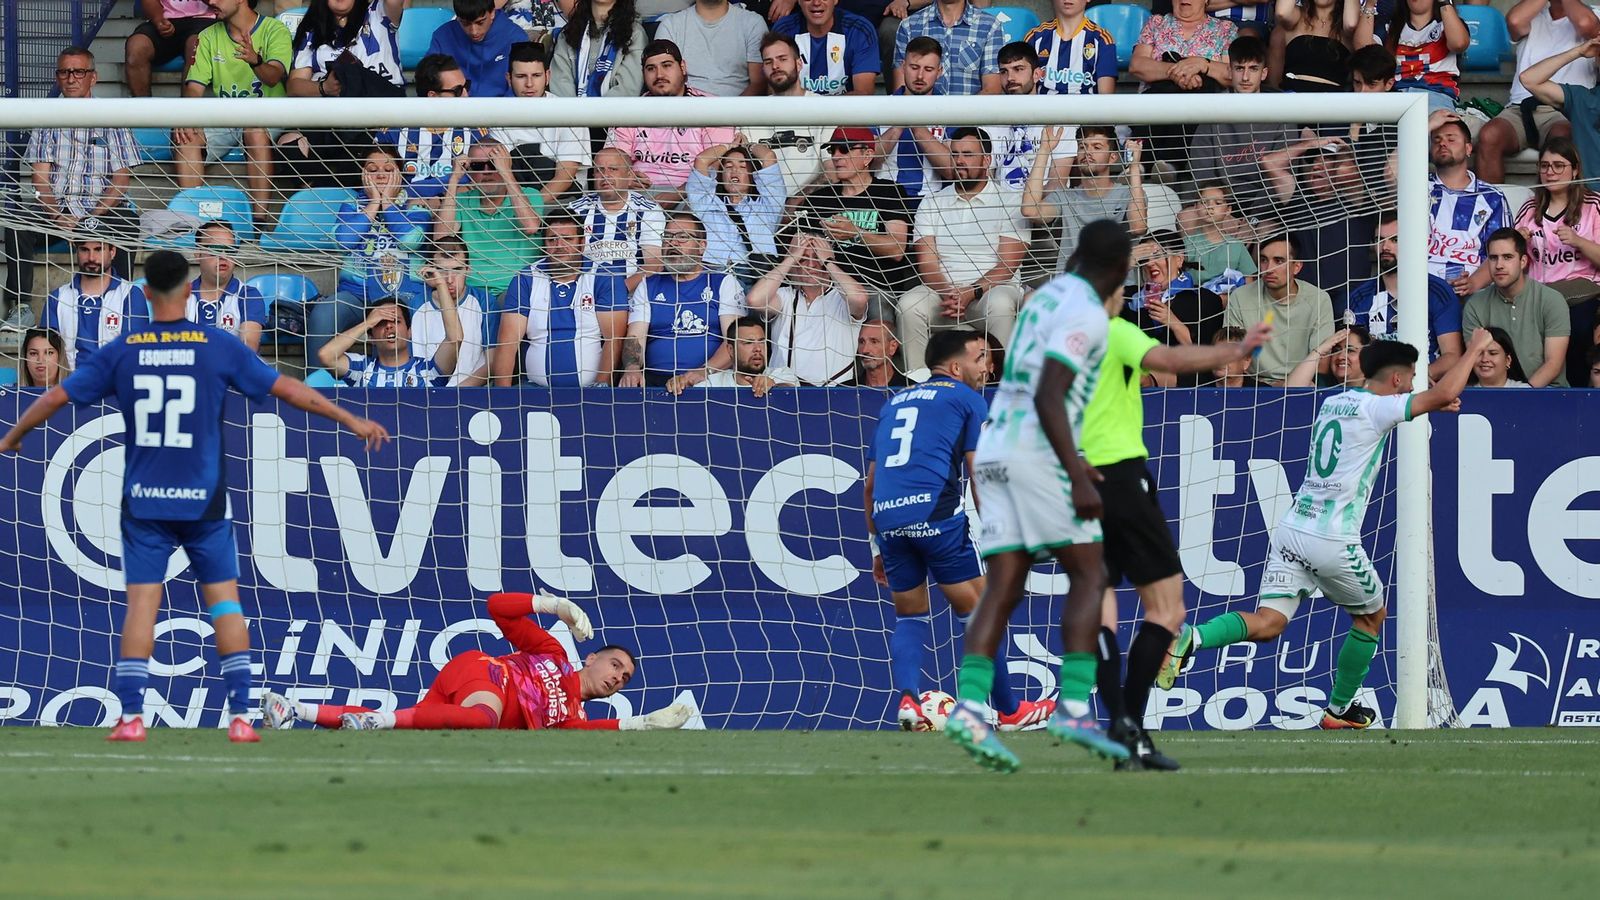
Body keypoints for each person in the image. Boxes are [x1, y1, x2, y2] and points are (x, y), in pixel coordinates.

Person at [0, 250, 390, 743]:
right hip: (203, 500)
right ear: (188, 291)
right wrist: (352, 420)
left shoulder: (124, 349)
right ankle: (243, 718)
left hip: (145, 501)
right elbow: (289, 391)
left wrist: (14, 436)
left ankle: (132, 719)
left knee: (142, 605)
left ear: (143, 295)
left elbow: (56, 396)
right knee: (225, 604)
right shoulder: (215, 346)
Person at [1161, 331, 1497, 729]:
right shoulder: (1377, 408)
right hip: (1331, 538)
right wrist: (1474, 348)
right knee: (1372, 617)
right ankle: (1338, 710)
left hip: (1292, 530)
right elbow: (1440, 396)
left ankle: (1190, 638)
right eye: (1409, 379)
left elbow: (1417, 406)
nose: (1410, 386)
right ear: (1395, 380)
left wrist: (1428, 406)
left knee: (1269, 622)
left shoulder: (1334, 403)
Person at [943, 219, 1135, 773]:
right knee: (1091, 572)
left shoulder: (1044, 296)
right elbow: (1052, 393)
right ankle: (1074, 706)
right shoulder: (1085, 314)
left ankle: (972, 709)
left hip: (996, 448)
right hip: (1035, 452)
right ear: (1118, 270)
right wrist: (1075, 471)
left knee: (1003, 583)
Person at [1082, 308, 1273, 769]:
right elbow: (1167, 359)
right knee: (1167, 610)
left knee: (1102, 604)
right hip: (1122, 475)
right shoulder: (1114, 330)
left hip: (1075, 475)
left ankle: (1119, 725)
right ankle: (1134, 726)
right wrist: (1235, 350)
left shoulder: (1049, 333)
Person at [864, 328, 1051, 734]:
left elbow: (870, 485)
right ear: (954, 367)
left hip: (890, 521)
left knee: (910, 615)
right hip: (935, 519)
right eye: (980, 358)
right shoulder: (966, 399)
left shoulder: (892, 404)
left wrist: (877, 545)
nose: (988, 367)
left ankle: (910, 699)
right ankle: (1009, 711)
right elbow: (979, 470)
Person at [260, 592, 691, 731]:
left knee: (405, 725)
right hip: (483, 672)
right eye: (616, 665)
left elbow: (604, 730)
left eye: (626, 678)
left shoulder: (572, 721)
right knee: (484, 717)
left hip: (462, 710)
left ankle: (292, 709)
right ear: (592, 657)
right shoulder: (556, 654)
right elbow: (498, 608)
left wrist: (646, 722)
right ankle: (379, 721)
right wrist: (554, 606)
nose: (619, 677)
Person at [4, 47, 141, 325]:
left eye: (79, 71)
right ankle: (21, 306)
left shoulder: (112, 118)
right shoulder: (46, 119)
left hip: (100, 212)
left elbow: (121, 179)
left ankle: (120, 299)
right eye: (64, 72)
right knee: (16, 221)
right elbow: (40, 179)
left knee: (128, 222)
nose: (71, 78)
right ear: (58, 78)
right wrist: (58, 216)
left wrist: (95, 215)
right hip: (59, 213)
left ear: (94, 77)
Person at [899, 128, 1026, 375]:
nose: (959, 161)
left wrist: (972, 291)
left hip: (989, 291)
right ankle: (917, 383)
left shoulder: (1010, 199)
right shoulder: (932, 201)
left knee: (1000, 303)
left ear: (986, 160)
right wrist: (950, 293)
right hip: (944, 294)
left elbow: (1007, 265)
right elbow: (927, 264)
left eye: (967, 154)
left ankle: (1001, 384)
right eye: (955, 154)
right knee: (909, 304)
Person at [173, 0, 293, 224]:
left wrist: (255, 61)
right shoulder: (208, 36)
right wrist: (186, 116)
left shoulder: (274, 30)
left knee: (254, 130)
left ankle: (259, 220)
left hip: (268, 115)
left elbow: (274, 76)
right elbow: (194, 88)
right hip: (225, 118)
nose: (211, 2)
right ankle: (193, 221)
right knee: (185, 135)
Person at [313, 146, 431, 365]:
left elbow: (410, 241)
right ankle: (317, 387)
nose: (380, 174)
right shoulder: (351, 206)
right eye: (372, 169)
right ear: (363, 175)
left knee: (417, 318)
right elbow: (344, 242)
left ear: (400, 175)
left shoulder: (417, 204)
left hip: (405, 295)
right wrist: (374, 204)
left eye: (388, 169)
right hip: (357, 293)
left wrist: (387, 203)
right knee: (324, 313)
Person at [278, 0, 408, 189]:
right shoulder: (312, 29)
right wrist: (324, 87)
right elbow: (294, 86)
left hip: (383, 104)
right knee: (288, 144)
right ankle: (322, 192)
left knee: (349, 71)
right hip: (333, 113)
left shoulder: (379, 11)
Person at [494, 210, 632, 386]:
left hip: (590, 392)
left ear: (582, 243)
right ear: (544, 245)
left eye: (568, 239)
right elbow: (508, 343)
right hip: (534, 391)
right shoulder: (526, 279)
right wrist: (503, 397)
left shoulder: (604, 276)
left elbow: (614, 340)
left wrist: (601, 389)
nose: (559, 245)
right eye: (552, 239)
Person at [617, 212, 746, 388]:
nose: (673, 242)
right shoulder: (648, 285)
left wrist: (704, 371)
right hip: (656, 380)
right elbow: (635, 337)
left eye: (683, 237)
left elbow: (735, 340)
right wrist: (631, 368)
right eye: (667, 237)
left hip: (708, 379)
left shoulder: (723, 282)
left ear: (702, 246)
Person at [1474, 0, 1597, 183]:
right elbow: (1514, 22)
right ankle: (1492, 207)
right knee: (1489, 136)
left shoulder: (1594, 13)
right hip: (1520, 106)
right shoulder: (1532, 15)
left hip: (1562, 108)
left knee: (1562, 139)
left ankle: (1554, 207)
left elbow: (1585, 25)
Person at [607, 40, 739, 208]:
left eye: (667, 65)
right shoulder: (629, 111)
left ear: (682, 67)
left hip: (694, 194)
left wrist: (678, 193)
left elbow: (716, 168)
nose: (659, 75)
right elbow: (612, 160)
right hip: (637, 195)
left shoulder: (711, 107)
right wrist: (625, 176)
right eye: (651, 69)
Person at [800, 127, 916, 317]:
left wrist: (856, 232)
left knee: (880, 314)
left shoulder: (889, 192)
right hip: (828, 288)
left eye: (845, 149)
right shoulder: (818, 199)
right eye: (832, 150)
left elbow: (896, 250)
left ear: (868, 155)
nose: (836, 156)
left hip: (877, 289)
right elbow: (802, 248)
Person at [1344, 210, 1465, 380]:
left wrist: (1418, 378)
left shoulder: (1438, 292)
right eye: (1379, 240)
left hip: (1425, 387)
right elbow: (1354, 356)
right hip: (1375, 390)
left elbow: (1452, 355)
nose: (1385, 247)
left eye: (1395, 240)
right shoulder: (1360, 297)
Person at [1187, 35, 1296, 222]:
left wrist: (1253, 218)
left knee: (1265, 229)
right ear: (1229, 71)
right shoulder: (1213, 110)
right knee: (1186, 218)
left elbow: (1284, 174)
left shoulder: (1282, 110)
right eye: (1239, 68)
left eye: (1253, 69)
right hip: (1220, 205)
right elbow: (1203, 171)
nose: (1245, 77)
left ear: (1264, 73)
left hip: (1266, 207)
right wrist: (1224, 213)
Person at [745, 234, 869, 384]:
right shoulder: (785, 296)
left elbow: (860, 298)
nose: (811, 264)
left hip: (834, 393)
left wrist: (829, 261)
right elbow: (754, 300)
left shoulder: (842, 297)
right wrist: (792, 257)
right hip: (784, 390)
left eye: (817, 257)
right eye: (803, 258)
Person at [1022, 126, 1147, 276]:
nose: (1087, 152)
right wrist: (1044, 150)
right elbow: (1030, 210)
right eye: (1083, 146)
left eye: (1097, 147)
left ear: (1113, 157)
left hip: (1118, 291)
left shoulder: (1130, 194)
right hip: (1072, 290)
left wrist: (1133, 167)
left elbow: (1138, 227)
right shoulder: (1064, 197)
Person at [1129, 0, 1237, 170]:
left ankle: (1167, 164)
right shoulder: (1157, 23)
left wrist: (1204, 65)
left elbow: (1231, 74)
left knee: (1193, 100)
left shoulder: (1224, 29)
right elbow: (1137, 65)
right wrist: (1179, 72)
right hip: (1157, 99)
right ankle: (1144, 166)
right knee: (1164, 97)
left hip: (1202, 103)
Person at [436, 138, 547, 303]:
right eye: (478, 166)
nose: (487, 171)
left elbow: (530, 226)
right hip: (472, 294)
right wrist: (454, 180)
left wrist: (507, 172)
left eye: (494, 164)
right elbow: (440, 241)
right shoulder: (461, 200)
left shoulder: (530, 195)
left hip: (518, 291)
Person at [1462, 227, 1572, 386]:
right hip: (1495, 395)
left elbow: (1553, 364)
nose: (1499, 265)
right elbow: (1477, 362)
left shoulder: (1551, 300)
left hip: (1548, 394)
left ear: (1523, 262)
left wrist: (1521, 397)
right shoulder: (1475, 305)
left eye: (1507, 257)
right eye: (1493, 258)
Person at [1223, 234, 1336, 384]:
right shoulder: (1240, 296)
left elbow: (1321, 365)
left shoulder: (1318, 299)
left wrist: (1287, 384)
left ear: (1297, 267)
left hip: (1302, 384)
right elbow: (1232, 356)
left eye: (1278, 261)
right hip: (1253, 385)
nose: (1269, 269)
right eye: (1264, 260)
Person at [491, 42, 592, 204]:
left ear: (548, 76)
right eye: (521, 76)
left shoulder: (570, 112)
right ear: (509, 79)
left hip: (564, 202)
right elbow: (503, 173)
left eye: (536, 76)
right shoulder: (498, 116)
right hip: (514, 202)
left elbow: (564, 178)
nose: (529, 84)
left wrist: (531, 209)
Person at [687, 140, 787, 283]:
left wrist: (748, 146)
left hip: (752, 275)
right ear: (721, 174)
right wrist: (729, 146)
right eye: (728, 166)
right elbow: (701, 160)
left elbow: (768, 156)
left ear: (752, 174)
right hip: (711, 273)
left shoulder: (767, 205)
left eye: (743, 166)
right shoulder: (705, 203)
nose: (735, 170)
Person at [571, 148, 666, 293]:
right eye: (599, 170)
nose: (605, 175)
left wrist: (617, 291)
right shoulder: (576, 210)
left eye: (613, 169)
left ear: (629, 176)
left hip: (633, 295)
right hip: (582, 293)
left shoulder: (648, 210)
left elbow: (654, 265)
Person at [1514, 136, 1600, 298]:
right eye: (1544, 166)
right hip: (1538, 293)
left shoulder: (1594, 205)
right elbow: (1509, 263)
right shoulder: (1529, 208)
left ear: (1575, 170)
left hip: (1583, 291)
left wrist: (1579, 242)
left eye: (1558, 166)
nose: (1550, 172)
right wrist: (1517, 244)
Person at [41, 239, 147, 368]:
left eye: (98, 249)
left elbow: (133, 354)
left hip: (112, 384)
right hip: (68, 384)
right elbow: (48, 356)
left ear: (112, 252)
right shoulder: (57, 298)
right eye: (84, 250)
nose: (91, 258)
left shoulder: (131, 295)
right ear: (76, 250)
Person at [987, 43, 1078, 192]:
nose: (1010, 78)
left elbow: (1057, 183)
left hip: (1043, 208)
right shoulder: (989, 121)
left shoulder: (1059, 120)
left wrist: (1033, 207)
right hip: (999, 209)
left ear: (1037, 74)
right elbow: (986, 178)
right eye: (1004, 71)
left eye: (1018, 69)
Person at [319, 295, 465, 387]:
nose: (389, 326)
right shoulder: (362, 369)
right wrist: (367, 323)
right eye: (381, 323)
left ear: (409, 332)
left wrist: (440, 284)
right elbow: (326, 356)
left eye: (396, 321)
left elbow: (455, 338)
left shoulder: (426, 371)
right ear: (371, 338)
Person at [1126, 231, 1226, 362]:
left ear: (1179, 259)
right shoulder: (1128, 297)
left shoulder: (1205, 299)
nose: (1149, 263)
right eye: (1144, 259)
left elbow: (1206, 358)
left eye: (1158, 255)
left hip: (1182, 375)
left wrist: (1172, 321)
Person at [1356, 0, 1469, 114]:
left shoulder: (1448, 23)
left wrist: (1444, 2)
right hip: (1395, 96)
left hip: (1436, 96)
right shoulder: (1390, 26)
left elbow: (1459, 44)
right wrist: (1370, 5)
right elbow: (1364, 50)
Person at [874, 40, 953, 201]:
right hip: (885, 201)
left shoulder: (951, 111)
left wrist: (916, 125)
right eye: (914, 67)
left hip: (934, 202)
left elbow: (952, 170)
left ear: (939, 72)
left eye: (928, 69)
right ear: (903, 66)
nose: (920, 76)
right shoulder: (879, 107)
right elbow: (868, 162)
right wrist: (898, 126)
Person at [413, 237, 493, 386]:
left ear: (468, 269)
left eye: (457, 270)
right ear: (430, 270)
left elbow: (493, 360)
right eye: (442, 271)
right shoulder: (415, 305)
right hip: (422, 395)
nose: (449, 279)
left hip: (469, 395)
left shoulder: (484, 302)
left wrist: (457, 392)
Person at [654, 0, 768, 96]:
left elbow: (759, 83)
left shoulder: (753, 23)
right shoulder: (670, 25)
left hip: (740, 115)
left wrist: (731, 118)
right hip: (685, 114)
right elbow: (662, 82)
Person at [187, 221, 268, 353]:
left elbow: (248, 350)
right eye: (215, 250)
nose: (224, 256)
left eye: (230, 250)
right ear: (197, 254)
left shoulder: (248, 295)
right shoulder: (179, 296)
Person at [891, 0, 1003, 95]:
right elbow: (902, 89)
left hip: (970, 119)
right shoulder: (909, 26)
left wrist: (956, 118)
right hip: (920, 118)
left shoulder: (989, 25)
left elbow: (991, 90)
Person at [772, 0, 880, 96]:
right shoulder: (783, 31)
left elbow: (863, 94)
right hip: (798, 114)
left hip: (845, 115)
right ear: (799, 1)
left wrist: (826, 112)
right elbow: (775, 90)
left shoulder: (859, 30)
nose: (816, 3)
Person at [428, 0, 526, 97]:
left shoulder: (516, 38)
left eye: (480, 22)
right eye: (465, 23)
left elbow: (525, 85)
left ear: (492, 13)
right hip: (456, 108)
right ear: (457, 17)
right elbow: (427, 80)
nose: (474, 31)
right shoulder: (443, 35)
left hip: (503, 108)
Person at [549, 0, 646, 97]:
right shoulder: (568, 33)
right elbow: (560, 83)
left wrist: (598, 111)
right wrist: (575, 111)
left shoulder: (635, 33)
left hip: (616, 111)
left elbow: (628, 88)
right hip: (571, 110)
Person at [1024, 0, 1119, 97]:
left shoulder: (1101, 39)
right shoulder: (1035, 37)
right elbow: (1025, 90)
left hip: (1086, 111)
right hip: (1042, 110)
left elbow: (1106, 99)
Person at [126, 0, 215, 97]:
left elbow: (225, 3)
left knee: (196, 46)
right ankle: (143, 109)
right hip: (167, 19)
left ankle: (188, 110)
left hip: (206, 19)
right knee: (137, 47)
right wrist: (159, 20)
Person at [690, 316, 801, 392]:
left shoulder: (782, 374)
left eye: (762, 342)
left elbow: (790, 390)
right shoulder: (713, 383)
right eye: (748, 343)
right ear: (730, 350)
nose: (758, 349)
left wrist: (774, 387)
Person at [1269, 0, 1356, 92]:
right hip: (1294, 96)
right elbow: (1282, 13)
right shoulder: (1296, 19)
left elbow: (1351, 24)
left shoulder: (1346, 28)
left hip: (1332, 100)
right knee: (1278, 33)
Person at [1179, 182, 1256, 286]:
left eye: (1218, 203)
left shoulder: (1236, 246)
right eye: (1204, 202)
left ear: (1228, 210)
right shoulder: (1187, 244)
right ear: (1196, 207)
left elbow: (1248, 281)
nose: (1210, 207)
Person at [1285, 326, 1370, 387]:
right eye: (1336, 350)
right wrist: (1320, 350)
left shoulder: (1377, 390)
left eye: (1350, 350)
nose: (1340, 356)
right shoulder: (1323, 385)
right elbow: (1290, 390)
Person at [853, 318, 927, 386]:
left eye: (874, 342)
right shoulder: (844, 390)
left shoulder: (911, 390)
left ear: (893, 347)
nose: (865, 350)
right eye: (861, 342)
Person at [1468, 326, 1532, 386]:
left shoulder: (1523, 391)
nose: (1484, 359)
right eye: (1479, 353)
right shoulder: (1460, 393)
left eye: (1492, 353)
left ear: (1508, 360)